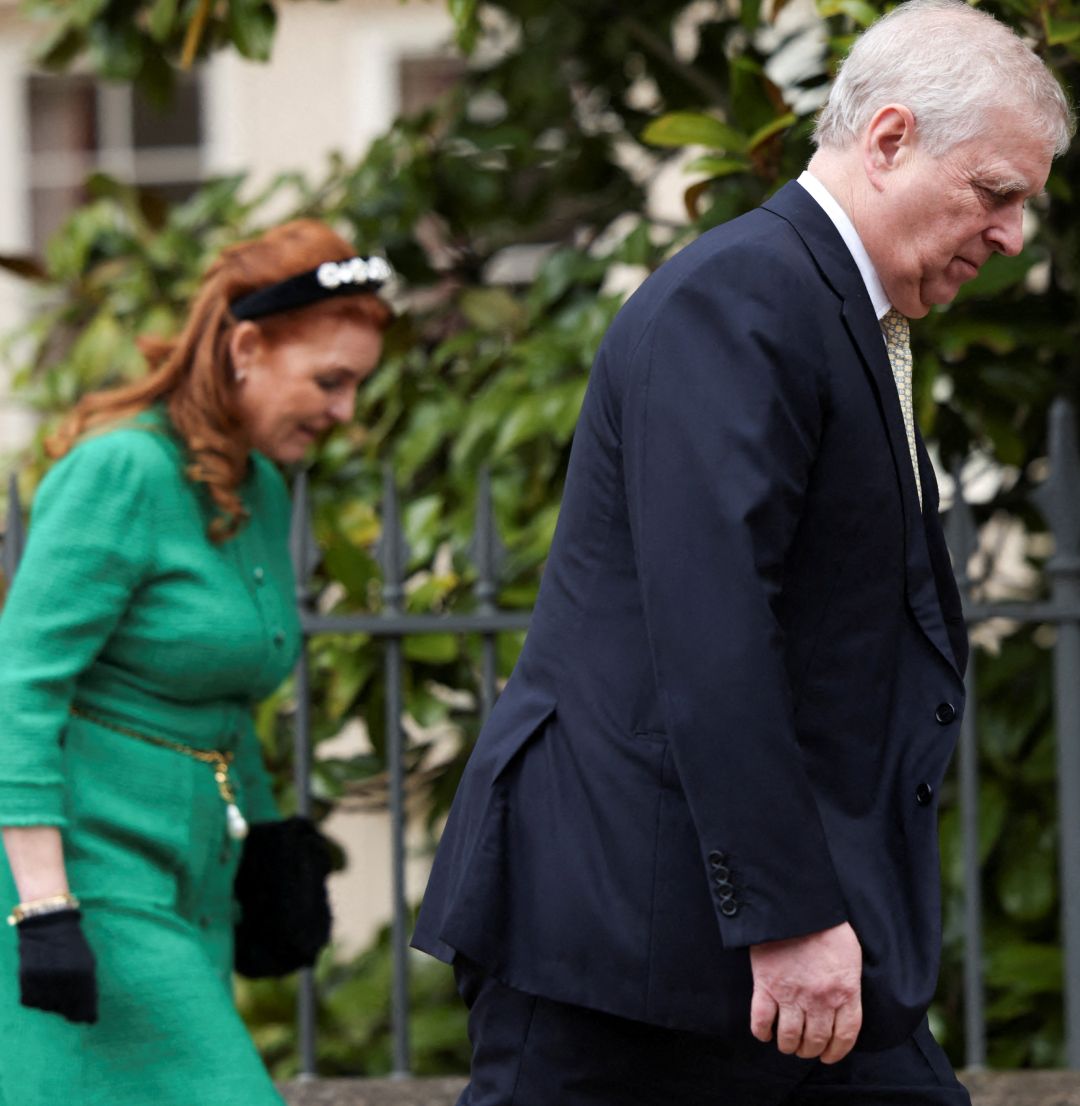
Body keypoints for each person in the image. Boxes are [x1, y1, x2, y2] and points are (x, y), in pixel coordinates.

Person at [412, 2, 1074, 1103]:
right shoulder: (746, 294)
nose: (1011, 236)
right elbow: (712, 627)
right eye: (996, 193)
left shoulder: (830, 306)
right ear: (891, 137)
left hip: (750, 944)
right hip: (635, 949)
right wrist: (792, 914)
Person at [0, 219, 392, 1105]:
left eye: (357, 386)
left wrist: (270, 843)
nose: (344, 412)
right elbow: (18, 689)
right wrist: (45, 911)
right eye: (330, 381)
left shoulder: (254, 481)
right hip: (88, 883)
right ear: (246, 346)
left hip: (190, 885)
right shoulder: (122, 471)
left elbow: (216, 700)